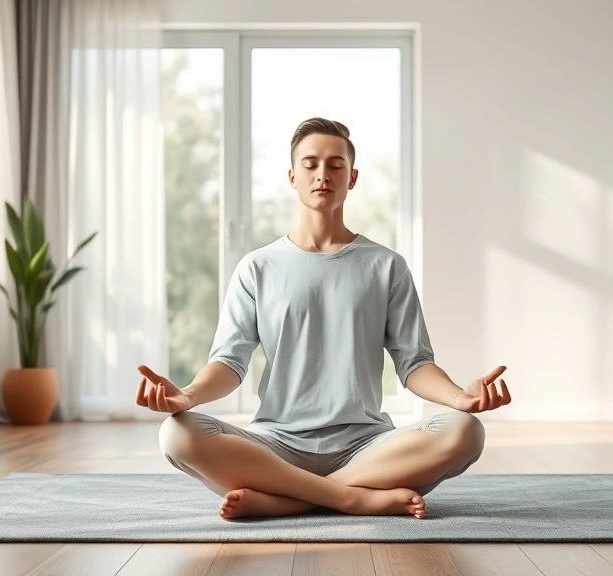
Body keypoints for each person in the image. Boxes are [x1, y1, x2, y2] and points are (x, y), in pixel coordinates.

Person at [136, 117, 511, 520]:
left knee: (465, 431)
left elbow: (414, 364)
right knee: (176, 433)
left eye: (335, 165)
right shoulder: (257, 267)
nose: (322, 174)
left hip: (368, 447)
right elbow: (229, 362)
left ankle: (289, 499)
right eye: (310, 164)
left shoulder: (386, 266)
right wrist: (187, 396)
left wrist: (460, 398)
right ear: (292, 176)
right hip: (275, 444)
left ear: (351, 178)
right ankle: (353, 498)